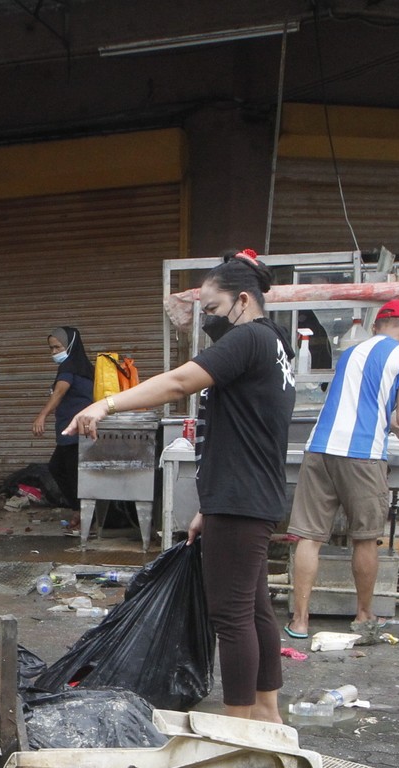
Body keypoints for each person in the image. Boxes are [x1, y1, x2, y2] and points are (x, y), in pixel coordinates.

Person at [69, 250, 295, 724]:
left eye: (213, 309)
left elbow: (178, 382)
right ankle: (267, 714)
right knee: (254, 609)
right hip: (244, 496)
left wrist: (105, 405)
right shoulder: (275, 343)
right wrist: (208, 507)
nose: (209, 320)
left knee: (231, 617)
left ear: (244, 300)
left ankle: (238, 726)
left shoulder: (250, 336)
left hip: (241, 497)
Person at [286, 299, 399, 639]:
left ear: (377, 325)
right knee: (364, 539)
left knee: (309, 537)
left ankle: (300, 621)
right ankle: (364, 616)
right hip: (363, 456)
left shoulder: (350, 353)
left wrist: (388, 422)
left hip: (319, 448)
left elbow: (355, 402)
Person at [31, 327, 94, 507]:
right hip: (78, 430)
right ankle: (80, 512)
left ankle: (83, 513)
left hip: (73, 432)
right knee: (63, 470)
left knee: (66, 472)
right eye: (51, 348)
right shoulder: (85, 368)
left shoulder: (68, 367)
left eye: (58, 347)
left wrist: (41, 415)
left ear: (71, 345)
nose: (54, 352)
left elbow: (59, 392)